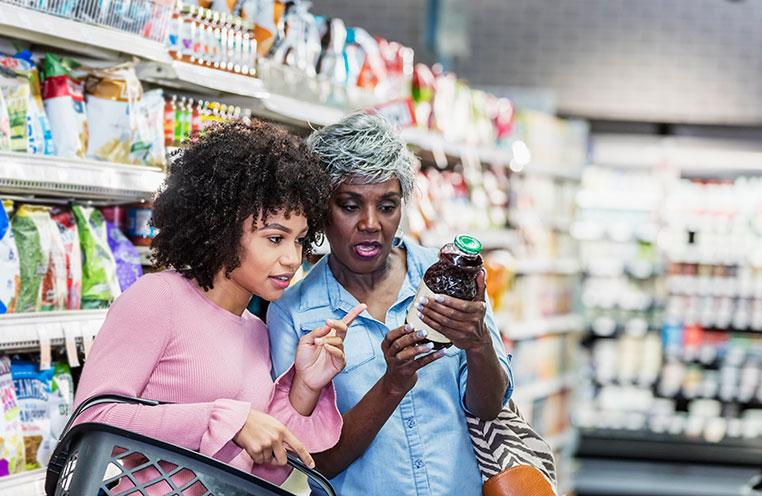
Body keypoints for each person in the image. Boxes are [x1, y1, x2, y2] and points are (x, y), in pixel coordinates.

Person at [73, 121, 351, 493]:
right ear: (222, 228)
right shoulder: (158, 299)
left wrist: (305, 386)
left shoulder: (256, 330)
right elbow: (92, 420)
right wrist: (224, 420)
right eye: (274, 238)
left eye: (300, 241)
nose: (292, 258)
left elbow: (267, 464)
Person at [268, 112, 514, 495]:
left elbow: (489, 407)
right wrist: (393, 384)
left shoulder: (447, 281)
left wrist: (479, 344)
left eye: (387, 205)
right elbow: (316, 461)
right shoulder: (295, 313)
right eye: (349, 205)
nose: (371, 223)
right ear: (319, 209)